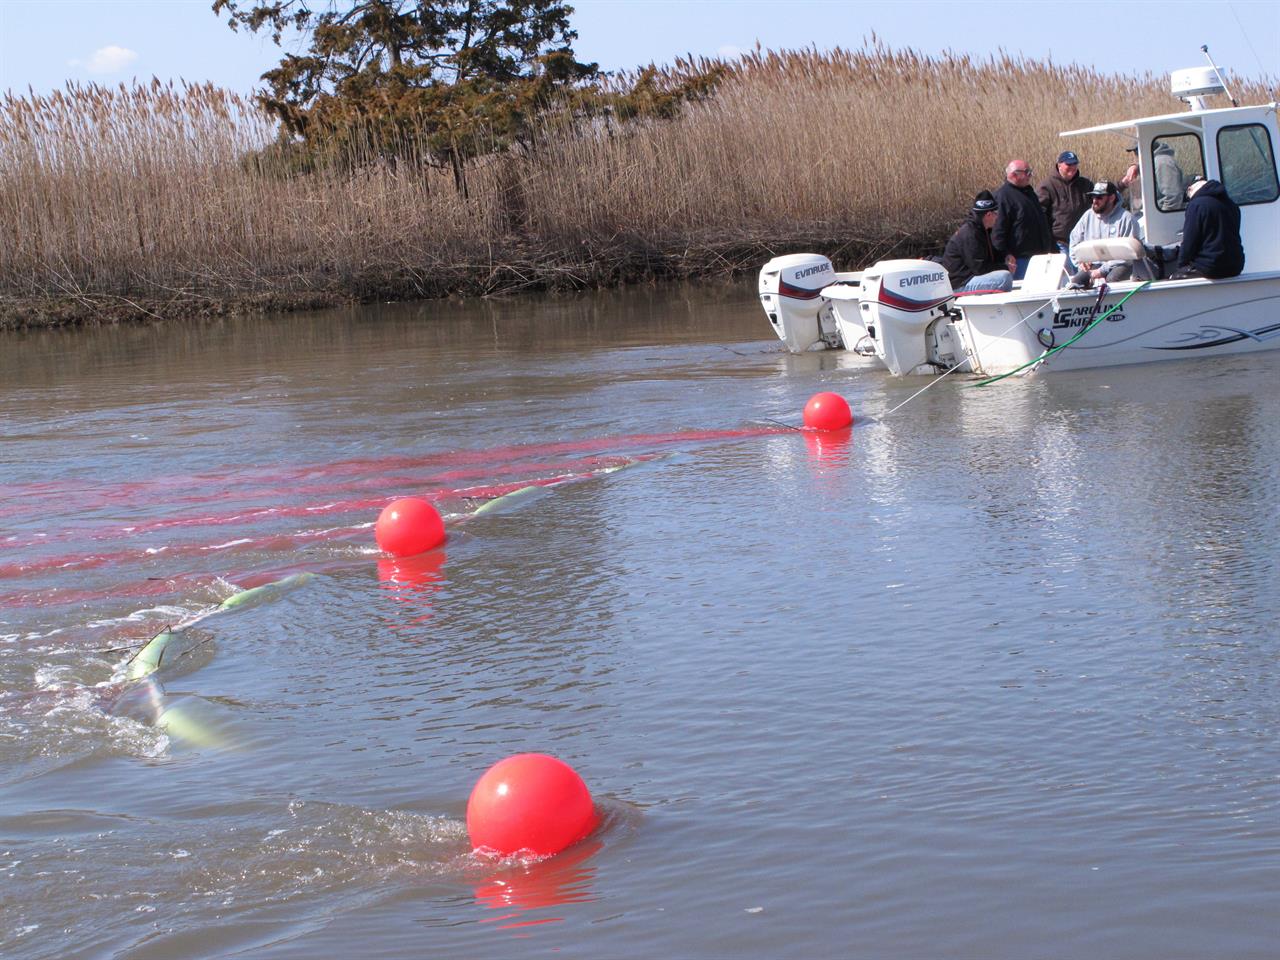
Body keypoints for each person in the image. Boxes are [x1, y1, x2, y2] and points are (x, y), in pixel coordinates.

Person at [1066, 180, 1144, 287]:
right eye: (1093, 197)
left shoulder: (1127, 219)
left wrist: (1102, 271)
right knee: (1076, 282)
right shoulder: (1087, 216)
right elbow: (1074, 241)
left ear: (1111, 198)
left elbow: (1129, 256)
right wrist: (1081, 262)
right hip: (1094, 265)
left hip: (1120, 265)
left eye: (1099, 197)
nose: (1094, 201)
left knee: (1111, 280)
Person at [1169, 178, 1245, 279]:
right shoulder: (1231, 204)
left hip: (1210, 267)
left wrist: (1181, 266)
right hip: (1236, 265)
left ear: (1190, 189)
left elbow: (1190, 241)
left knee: (1171, 277)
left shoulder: (1196, 205)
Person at [993, 159, 1055, 280]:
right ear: (1013, 174)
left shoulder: (1029, 193)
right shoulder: (1002, 196)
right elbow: (997, 231)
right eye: (1027, 172)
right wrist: (1005, 254)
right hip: (1019, 260)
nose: (1030, 175)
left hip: (1039, 257)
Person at [941, 190, 1013, 292]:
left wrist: (1006, 257)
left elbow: (991, 256)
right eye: (996, 213)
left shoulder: (982, 230)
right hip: (960, 284)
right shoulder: (970, 233)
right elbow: (979, 268)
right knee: (1004, 278)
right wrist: (1005, 267)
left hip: (971, 278)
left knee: (1006, 275)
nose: (997, 217)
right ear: (988, 215)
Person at [1036, 150, 1094, 268]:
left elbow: (1101, 200)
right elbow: (1039, 216)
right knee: (1067, 277)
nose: (1072, 168)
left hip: (1083, 242)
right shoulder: (1046, 186)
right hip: (1060, 242)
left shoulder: (1085, 184)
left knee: (1085, 275)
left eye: (1074, 164)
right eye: (1068, 164)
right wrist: (1048, 243)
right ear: (1059, 165)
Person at [1153, 141, 1186, 211]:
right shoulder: (1155, 161)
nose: (1136, 155)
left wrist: (1162, 216)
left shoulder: (1162, 163)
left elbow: (1173, 197)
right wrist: (1136, 167)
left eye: (1136, 152)